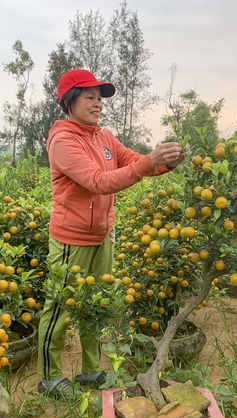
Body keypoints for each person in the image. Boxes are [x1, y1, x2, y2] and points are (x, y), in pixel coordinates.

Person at [37, 69, 185, 399]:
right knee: (60, 306)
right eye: (89, 97)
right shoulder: (63, 141)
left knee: (96, 304)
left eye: (99, 98)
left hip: (103, 236)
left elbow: (137, 162)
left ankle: (90, 370)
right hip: (70, 239)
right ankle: (48, 377)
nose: (98, 104)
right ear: (70, 101)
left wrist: (168, 161)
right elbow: (99, 182)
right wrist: (148, 162)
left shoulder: (104, 138)